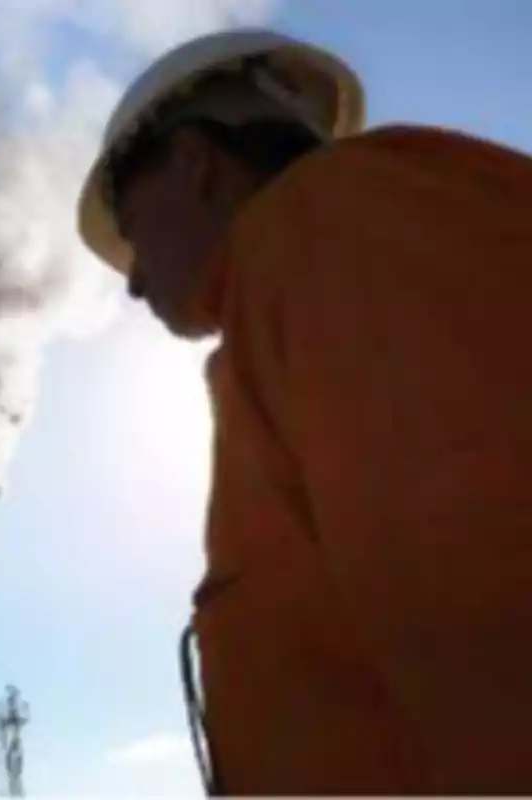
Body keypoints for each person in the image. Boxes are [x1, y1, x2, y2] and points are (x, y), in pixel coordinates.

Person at [75, 28, 532, 795]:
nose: (131, 279)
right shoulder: (303, 275)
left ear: (192, 162)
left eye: (129, 225)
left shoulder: (334, 226)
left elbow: (488, 586)